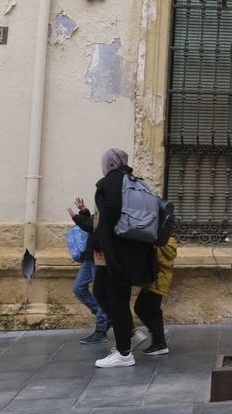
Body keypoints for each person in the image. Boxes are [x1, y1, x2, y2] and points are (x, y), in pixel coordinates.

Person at [71, 148, 156, 368]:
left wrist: (81, 220)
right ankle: (128, 336)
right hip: (133, 253)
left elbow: (103, 223)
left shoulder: (108, 184)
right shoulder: (135, 181)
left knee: (116, 300)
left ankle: (124, 353)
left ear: (108, 163)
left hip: (113, 255)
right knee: (100, 291)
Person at [130, 234, 178, 356]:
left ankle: (160, 341)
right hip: (153, 281)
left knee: (151, 310)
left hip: (157, 281)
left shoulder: (163, 243)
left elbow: (161, 261)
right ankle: (158, 334)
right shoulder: (159, 242)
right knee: (144, 308)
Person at [66, 216, 110, 344]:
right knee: (79, 288)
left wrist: (76, 217)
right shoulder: (99, 207)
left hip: (99, 256)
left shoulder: (108, 205)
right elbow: (91, 224)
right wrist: (84, 212)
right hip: (89, 256)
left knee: (99, 292)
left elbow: (93, 226)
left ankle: (101, 330)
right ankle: (105, 316)